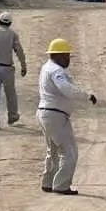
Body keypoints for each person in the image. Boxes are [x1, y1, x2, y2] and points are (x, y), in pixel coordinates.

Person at [36, 38, 97, 196]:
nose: (68, 59)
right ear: (58, 55)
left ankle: (48, 182)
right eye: (66, 56)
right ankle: (61, 185)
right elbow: (66, 88)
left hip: (45, 113)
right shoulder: (57, 71)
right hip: (55, 115)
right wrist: (86, 96)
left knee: (53, 151)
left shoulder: (46, 67)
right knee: (69, 152)